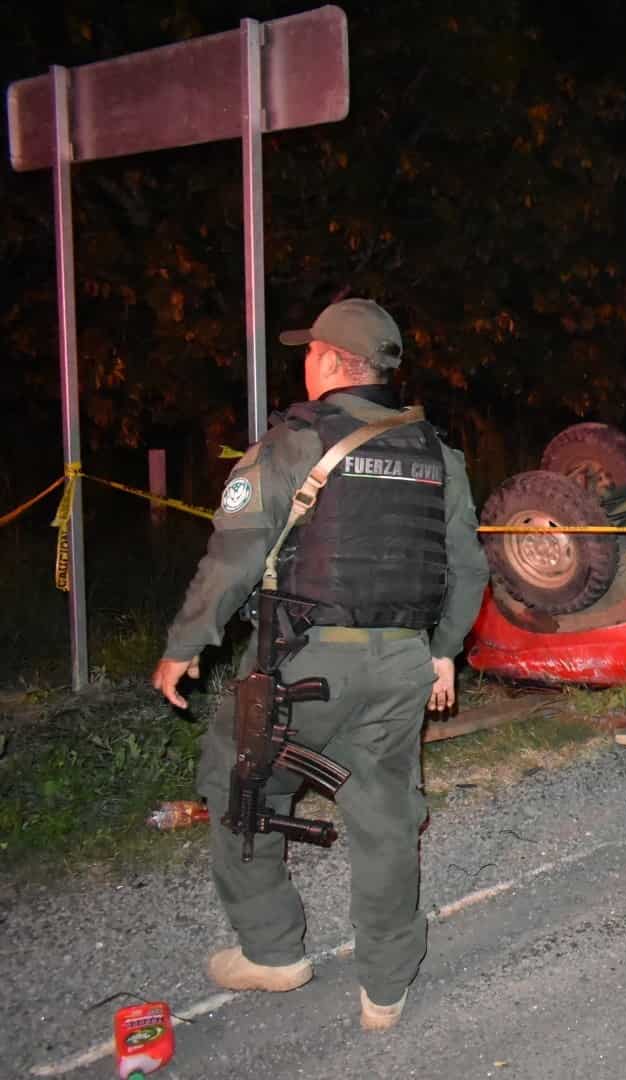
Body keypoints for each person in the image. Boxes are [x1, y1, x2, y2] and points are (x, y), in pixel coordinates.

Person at [151, 298, 490, 1031]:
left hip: (299, 663)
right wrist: (443, 655)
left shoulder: (293, 441)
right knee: (385, 817)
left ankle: (273, 952)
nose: (303, 363)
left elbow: (233, 557)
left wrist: (184, 646)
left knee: (241, 785)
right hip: (402, 663)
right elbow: (468, 569)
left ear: (335, 362)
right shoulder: (437, 451)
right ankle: (387, 987)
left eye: (310, 352)